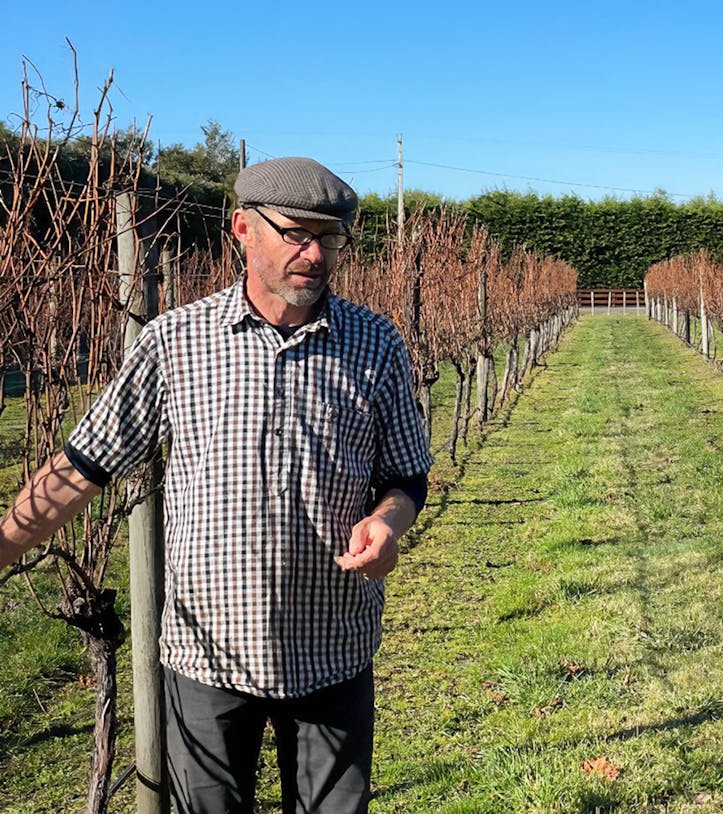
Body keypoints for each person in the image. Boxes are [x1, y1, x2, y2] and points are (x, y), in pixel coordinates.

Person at [0, 157, 432, 812]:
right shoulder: (178, 342)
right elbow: (83, 465)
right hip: (208, 655)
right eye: (296, 234)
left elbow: (405, 475)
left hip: (332, 651)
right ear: (242, 227)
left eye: (331, 238)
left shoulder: (374, 345)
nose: (315, 255)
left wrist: (388, 524)